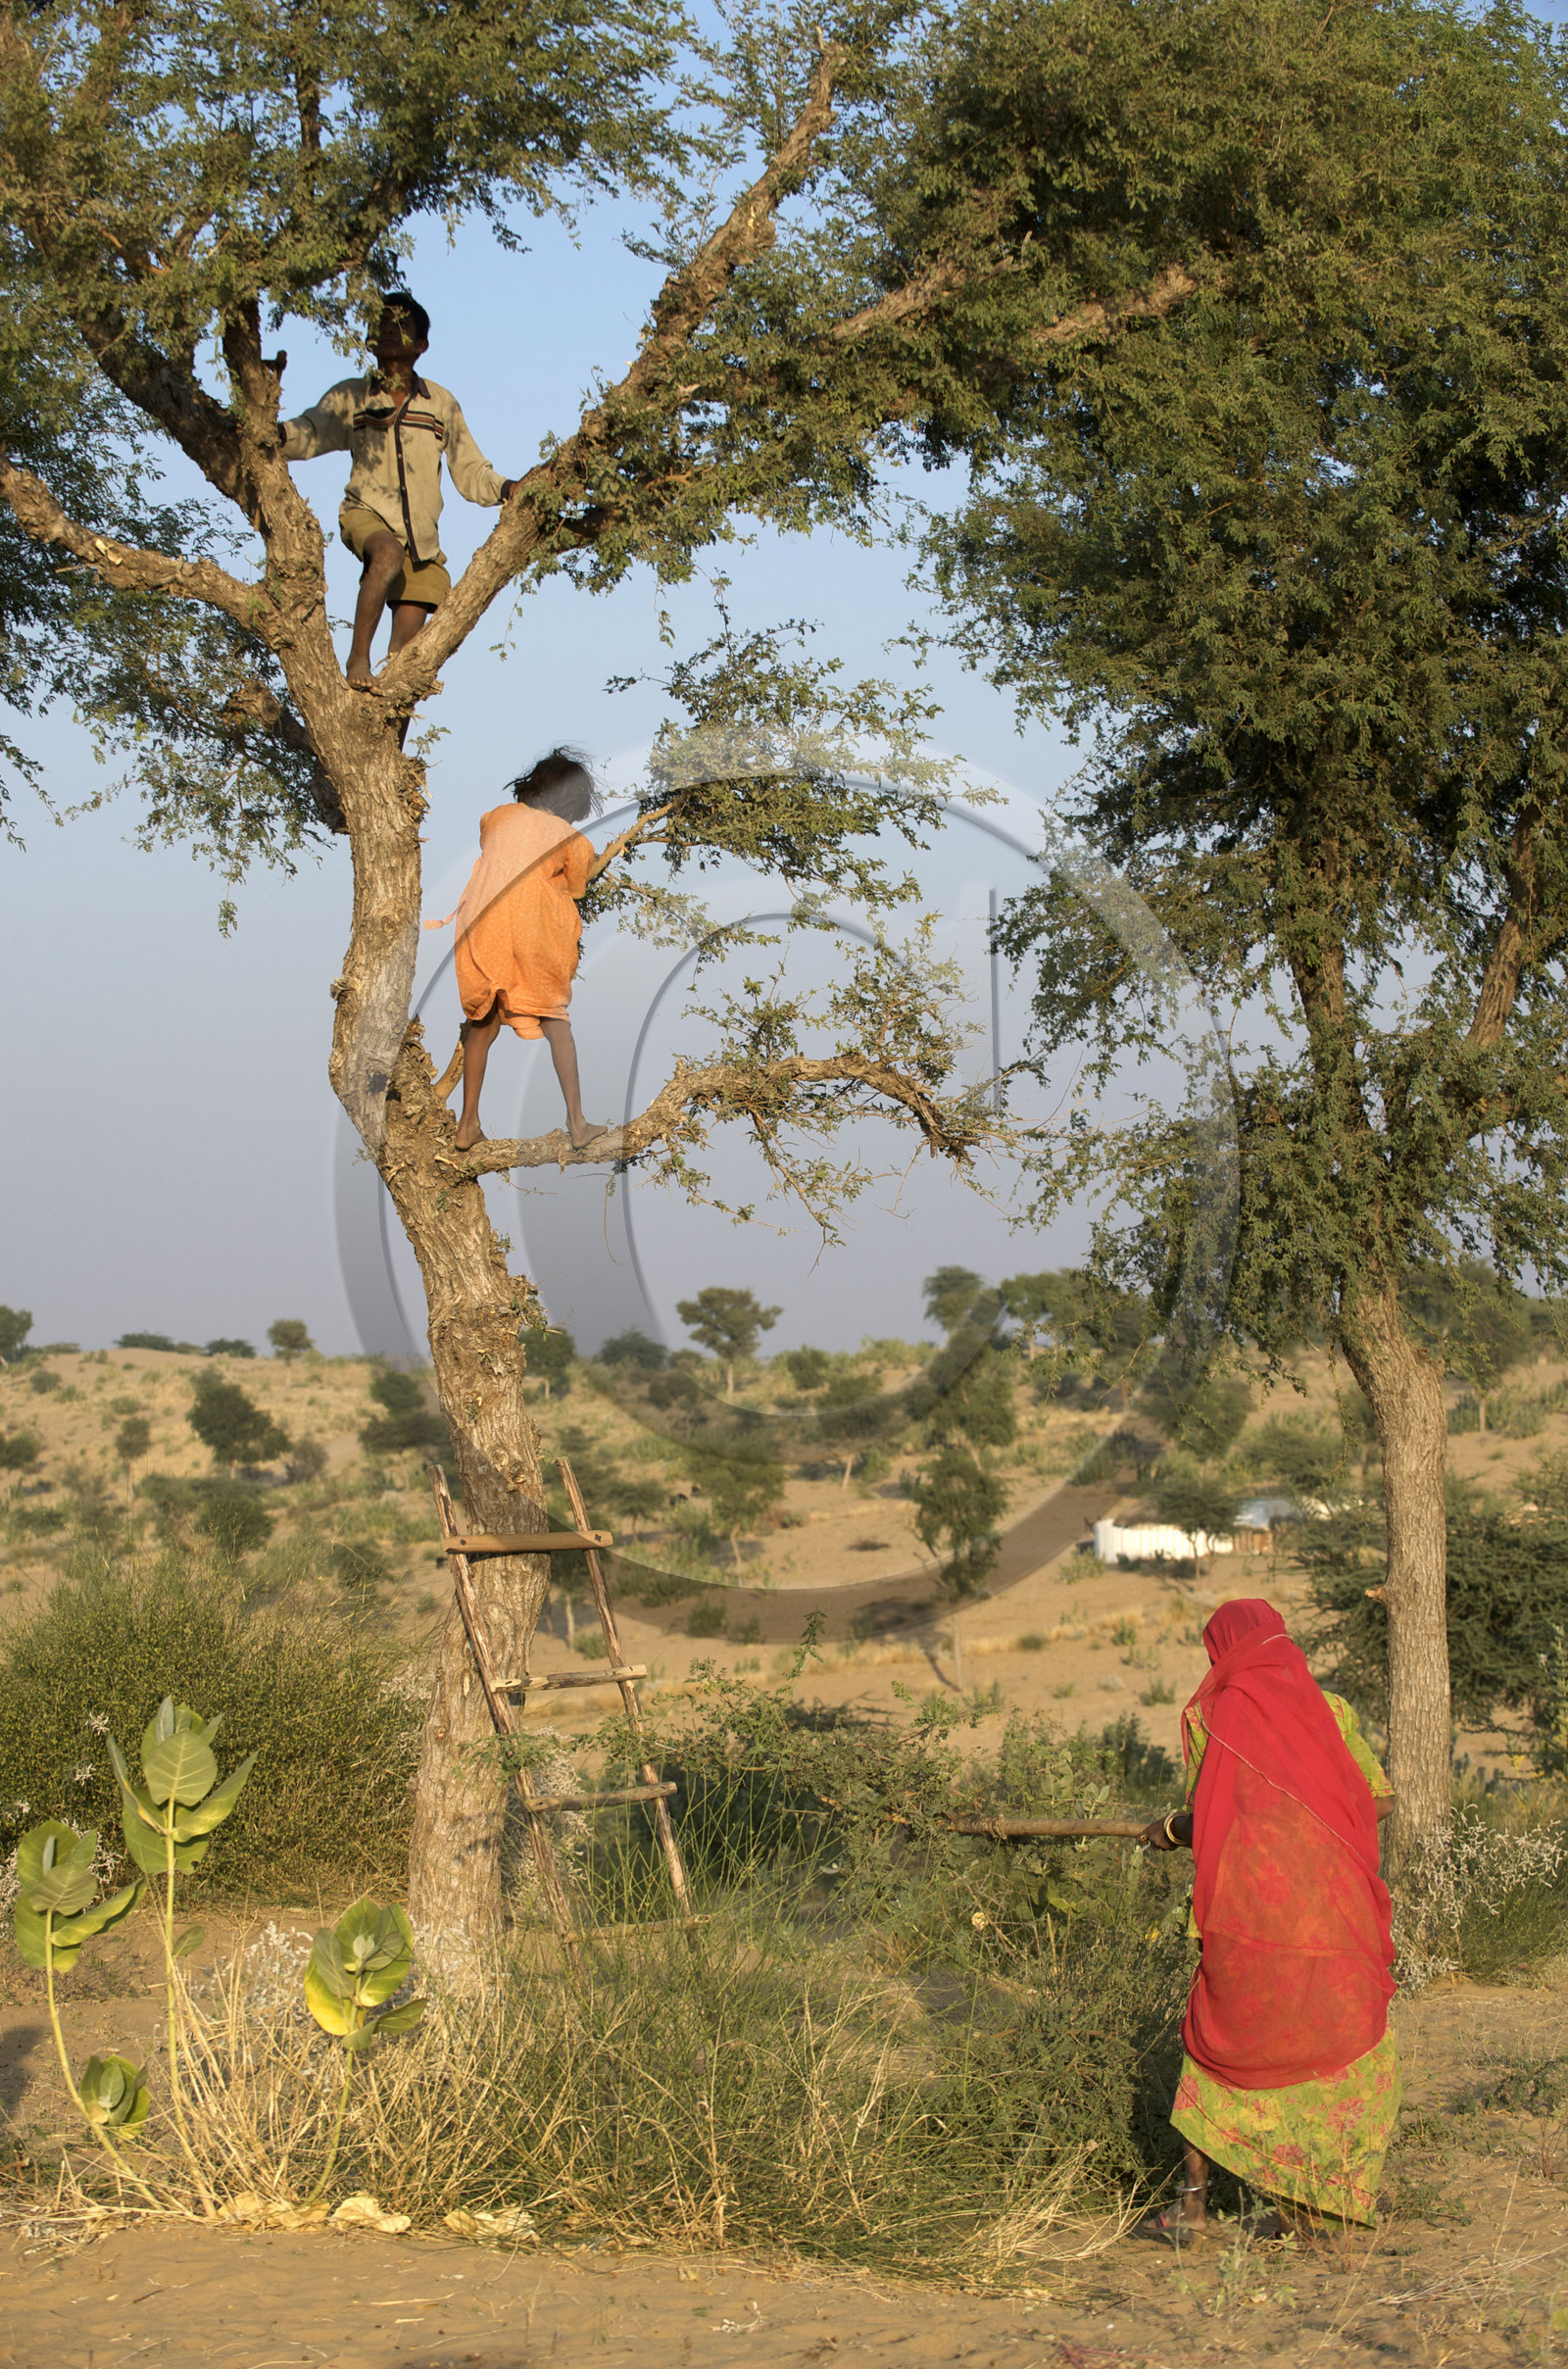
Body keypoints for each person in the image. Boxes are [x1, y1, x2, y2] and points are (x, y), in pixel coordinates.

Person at [1140, 1597, 1398, 2243]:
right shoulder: (1330, 1711)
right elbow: (1381, 1799)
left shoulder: (1214, 1718)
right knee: (1335, 2044)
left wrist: (1171, 1828)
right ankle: (1318, 2206)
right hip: (1335, 1914)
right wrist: (1322, 1828)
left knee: (1216, 2040)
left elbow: (1216, 1815)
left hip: (1250, 1917)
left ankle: (1192, 2206)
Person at [278, 292, 516, 687]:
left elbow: (470, 468)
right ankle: (357, 660)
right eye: (382, 322)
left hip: (421, 542)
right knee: (386, 554)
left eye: (401, 324)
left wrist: (508, 488)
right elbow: (312, 431)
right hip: (366, 513)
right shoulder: (353, 395)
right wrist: (274, 434)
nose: (389, 329)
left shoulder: (440, 403)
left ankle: (388, 744)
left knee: (406, 664)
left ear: (421, 345)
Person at [426, 749, 612, 1153]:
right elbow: (575, 887)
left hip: (482, 920)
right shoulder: (573, 839)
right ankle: (577, 1123)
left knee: (484, 1020)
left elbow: (494, 850)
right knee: (555, 1018)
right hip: (531, 926)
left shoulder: (497, 817)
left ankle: (467, 1123)